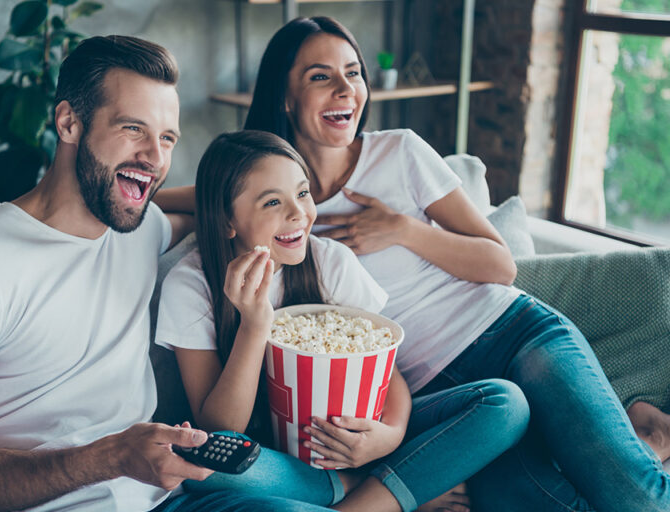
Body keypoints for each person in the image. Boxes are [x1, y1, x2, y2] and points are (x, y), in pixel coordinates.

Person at [241, 15, 670, 512]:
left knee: (633, 496)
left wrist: (403, 229)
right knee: (538, 501)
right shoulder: (274, 204)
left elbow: (500, 264)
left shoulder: (400, 150)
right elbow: (201, 196)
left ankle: (641, 442)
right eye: (320, 76)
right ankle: (644, 435)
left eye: (354, 73)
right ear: (284, 96)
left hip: (512, 332)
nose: (345, 90)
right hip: (449, 395)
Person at [0, 35, 333, 512]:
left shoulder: (140, 228)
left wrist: (289, 204)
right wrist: (108, 458)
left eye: (167, 138)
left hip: (162, 500)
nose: (155, 158)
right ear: (68, 122)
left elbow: (220, 203)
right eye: (133, 129)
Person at [154, 130, 530, 512]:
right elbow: (221, 429)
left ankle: (364, 492)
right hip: (271, 458)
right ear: (226, 220)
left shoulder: (331, 261)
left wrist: (390, 435)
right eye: (272, 202)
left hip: (362, 440)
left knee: (506, 404)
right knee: (207, 463)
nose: (298, 214)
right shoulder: (191, 285)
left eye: (302, 193)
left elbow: (385, 369)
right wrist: (254, 326)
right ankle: (379, 491)